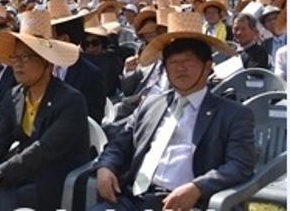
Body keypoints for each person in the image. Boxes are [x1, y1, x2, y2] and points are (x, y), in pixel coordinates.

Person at [91, 11, 255, 211]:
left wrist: (198, 187)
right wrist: (105, 166)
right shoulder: (151, 104)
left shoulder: (233, 114)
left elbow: (239, 165)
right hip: (135, 198)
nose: (180, 69)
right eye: (174, 63)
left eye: (188, 62)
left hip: (190, 203)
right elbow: (119, 143)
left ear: (208, 67)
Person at [0, 9, 90, 211]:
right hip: (21, 175)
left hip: (54, 182)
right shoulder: (15, 95)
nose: (17, 65)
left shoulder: (70, 101)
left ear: (47, 62)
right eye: (15, 58)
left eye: (26, 57)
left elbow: (42, 150)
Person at [47, 0, 107, 123]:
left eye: (48, 37)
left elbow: (92, 120)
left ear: (63, 39)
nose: (45, 43)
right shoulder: (43, 68)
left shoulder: (91, 75)